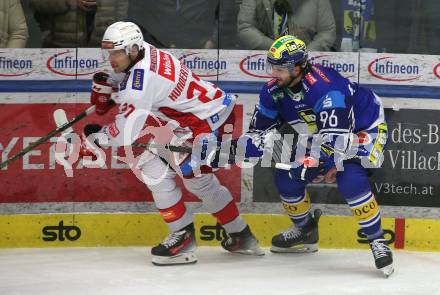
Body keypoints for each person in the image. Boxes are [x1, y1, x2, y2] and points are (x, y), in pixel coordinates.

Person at [76, 21, 264, 265]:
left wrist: (97, 139)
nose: (111, 58)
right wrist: (110, 82)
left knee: (194, 180)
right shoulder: (146, 50)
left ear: (133, 49)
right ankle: (238, 236)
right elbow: (131, 80)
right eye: (108, 52)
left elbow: (126, 129)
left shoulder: (140, 83)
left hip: (206, 125)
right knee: (154, 164)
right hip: (206, 115)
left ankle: (195, 238)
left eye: (116, 52)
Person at [243, 35, 393, 276]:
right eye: (273, 67)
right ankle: (305, 230)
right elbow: (258, 133)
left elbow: (336, 143)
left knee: (350, 178)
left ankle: (378, 241)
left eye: (281, 68)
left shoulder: (326, 87)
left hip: (362, 128)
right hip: (321, 133)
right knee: (286, 177)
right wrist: (230, 150)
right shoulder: (273, 91)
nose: (274, 73)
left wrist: (317, 161)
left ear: (299, 67)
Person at [237, 0, 336, 51]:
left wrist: (305, 54)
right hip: (264, 61)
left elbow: (327, 32)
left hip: (305, 64)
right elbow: (245, 27)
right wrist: (277, 48)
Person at [30, 0, 128, 47]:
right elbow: (35, 3)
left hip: (104, 47)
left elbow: (121, 7)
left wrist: (115, 30)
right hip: (61, 48)